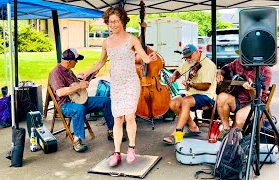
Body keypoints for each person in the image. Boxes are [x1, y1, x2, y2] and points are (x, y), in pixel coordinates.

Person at [80, 7, 157, 167]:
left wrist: (151, 58)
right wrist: (86, 72)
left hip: (130, 83)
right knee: (118, 118)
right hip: (116, 85)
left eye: (115, 21)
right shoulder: (106, 42)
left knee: (129, 117)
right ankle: (116, 152)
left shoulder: (132, 39)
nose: (113, 24)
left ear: (123, 21)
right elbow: (100, 62)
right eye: (110, 22)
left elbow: (144, 58)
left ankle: (131, 148)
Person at [49, 48, 115, 153]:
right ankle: (77, 141)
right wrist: (79, 86)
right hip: (66, 105)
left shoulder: (69, 71)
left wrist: (91, 75)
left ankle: (112, 131)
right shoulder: (56, 73)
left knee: (106, 100)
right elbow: (60, 92)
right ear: (69, 61)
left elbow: (78, 85)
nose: (77, 62)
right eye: (76, 60)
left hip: (80, 100)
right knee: (79, 109)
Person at [163, 44, 217, 145]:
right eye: (186, 57)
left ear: (197, 52)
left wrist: (191, 84)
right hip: (190, 94)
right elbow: (179, 71)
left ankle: (178, 133)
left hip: (206, 95)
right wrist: (174, 76)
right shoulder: (189, 62)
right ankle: (193, 127)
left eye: (190, 56)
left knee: (185, 101)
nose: (188, 59)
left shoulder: (208, 65)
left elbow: (206, 86)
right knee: (173, 103)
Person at [216, 50, 272, 140]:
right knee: (221, 97)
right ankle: (226, 130)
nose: (242, 59)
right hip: (239, 99)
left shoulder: (264, 70)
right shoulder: (238, 61)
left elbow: (259, 95)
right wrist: (220, 73)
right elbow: (227, 67)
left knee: (239, 117)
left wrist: (251, 90)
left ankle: (233, 140)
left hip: (255, 103)